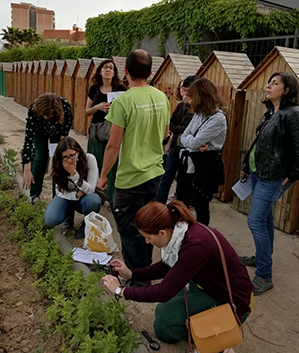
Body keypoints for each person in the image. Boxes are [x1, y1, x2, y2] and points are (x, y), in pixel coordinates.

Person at [102, 200, 253, 346]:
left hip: (230, 298)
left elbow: (164, 292)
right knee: (162, 331)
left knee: (164, 315)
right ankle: (199, 328)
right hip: (204, 285)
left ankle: (219, 343)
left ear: (161, 233)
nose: (147, 242)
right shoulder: (178, 231)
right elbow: (166, 266)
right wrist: (131, 274)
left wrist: (121, 291)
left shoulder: (195, 246)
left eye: (148, 238)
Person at [97, 50, 170, 278]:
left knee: (130, 230)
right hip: (155, 175)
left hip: (129, 180)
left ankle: (137, 279)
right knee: (148, 226)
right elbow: (165, 135)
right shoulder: (162, 98)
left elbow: (113, 146)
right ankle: (145, 270)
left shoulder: (123, 101)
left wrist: (102, 176)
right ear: (150, 72)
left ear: (126, 71)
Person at [240, 72, 299, 296]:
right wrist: (247, 165)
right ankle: (261, 257)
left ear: (286, 90)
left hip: (273, 177)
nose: (268, 85)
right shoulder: (271, 112)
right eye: (269, 82)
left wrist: (292, 175)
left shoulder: (292, 114)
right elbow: (259, 143)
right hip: (258, 173)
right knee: (263, 219)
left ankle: (264, 275)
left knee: (255, 221)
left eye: (275, 83)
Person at [176, 78, 227, 225]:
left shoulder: (218, 118)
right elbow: (184, 136)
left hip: (206, 166)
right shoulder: (199, 114)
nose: (189, 99)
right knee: (183, 200)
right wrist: (192, 142)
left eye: (192, 95)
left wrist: (192, 141)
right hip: (192, 161)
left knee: (200, 204)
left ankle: (202, 237)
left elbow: (194, 142)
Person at [85, 59, 126, 206]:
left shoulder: (120, 88)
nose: (108, 70)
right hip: (97, 133)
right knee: (95, 163)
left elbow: (126, 110)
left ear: (114, 72)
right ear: (100, 71)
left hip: (114, 132)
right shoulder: (94, 89)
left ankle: (111, 198)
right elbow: (86, 112)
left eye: (111, 68)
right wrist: (98, 107)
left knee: (112, 165)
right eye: (105, 67)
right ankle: (96, 196)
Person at [44, 136, 101, 238]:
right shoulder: (59, 164)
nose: (69, 160)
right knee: (50, 219)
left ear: (78, 152)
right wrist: (76, 195)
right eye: (65, 157)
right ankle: (68, 214)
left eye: (72, 155)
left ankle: (86, 223)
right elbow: (59, 191)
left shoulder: (89, 159)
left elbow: (91, 189)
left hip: (85, 198)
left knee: (94, 201)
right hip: (68, 196)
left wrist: (74, 175)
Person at [22, 93, 73, 203]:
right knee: (40, 158)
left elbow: (65, 130)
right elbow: (28, 141)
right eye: (43, 115)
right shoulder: (34, 109)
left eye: (48, 115)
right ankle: (35, 194)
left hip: (58, 133)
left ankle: (57, 195)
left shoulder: (65, 107)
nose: (45, 118)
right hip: (40, 132)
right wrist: (27, 170)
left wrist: (59, 147)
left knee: (58, 161)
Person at [157, 75, 198, 204]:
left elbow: (189, 127)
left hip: (188, 150)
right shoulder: (180, 106)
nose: (184, 92)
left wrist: (179, 128)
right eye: (183, 89)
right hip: (175, 147)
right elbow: (172, 124)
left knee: (183, 181)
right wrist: (179, 128)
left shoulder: (196, 108)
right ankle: (159, 204)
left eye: (187, 90)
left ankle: (180, 208)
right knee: (166, 177)